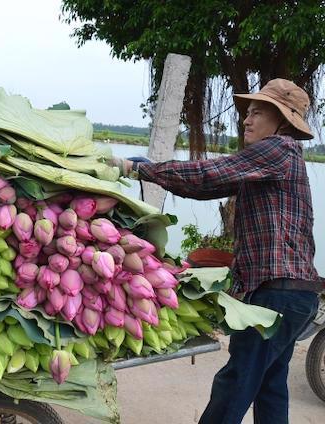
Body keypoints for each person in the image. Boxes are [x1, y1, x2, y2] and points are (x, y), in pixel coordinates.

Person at [110, 78, 322, 424]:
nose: (247, 120)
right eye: (247, 113)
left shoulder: (278, 149)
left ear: (282, 121)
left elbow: (209, 173)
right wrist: (150, 172)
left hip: (277, 294)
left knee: (235, 383)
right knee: (269, 387)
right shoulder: (270, 163)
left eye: (257, 113)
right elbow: (206, 186)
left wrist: (137, 169)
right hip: (293, 295)